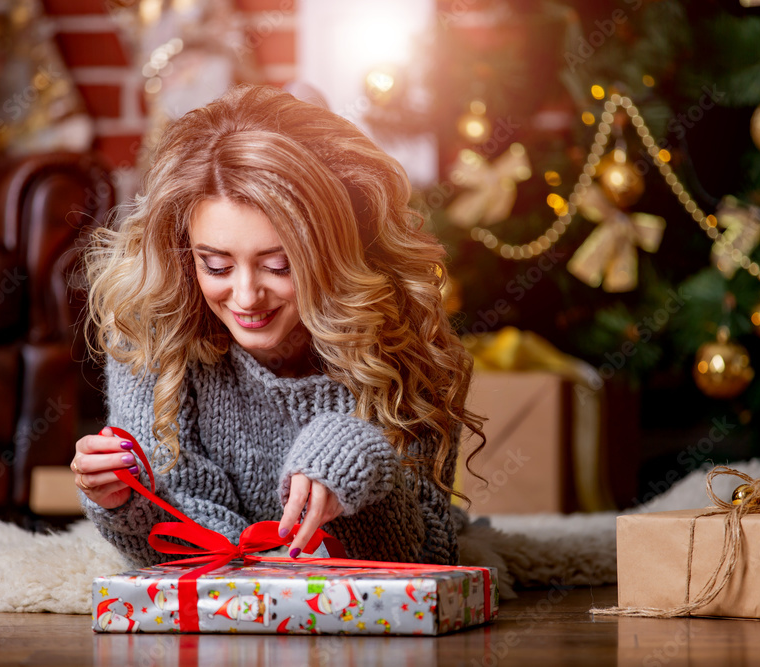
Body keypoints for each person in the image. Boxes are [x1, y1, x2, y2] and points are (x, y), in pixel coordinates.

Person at [71, 84, 484, 568]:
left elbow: (431, 559)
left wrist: (359, 463)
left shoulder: (399, 338)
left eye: (279, 266)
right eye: (217, 266)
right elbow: (173, 554)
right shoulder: (154, 328)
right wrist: (124, 501)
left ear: (332, 254)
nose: (246, 297)